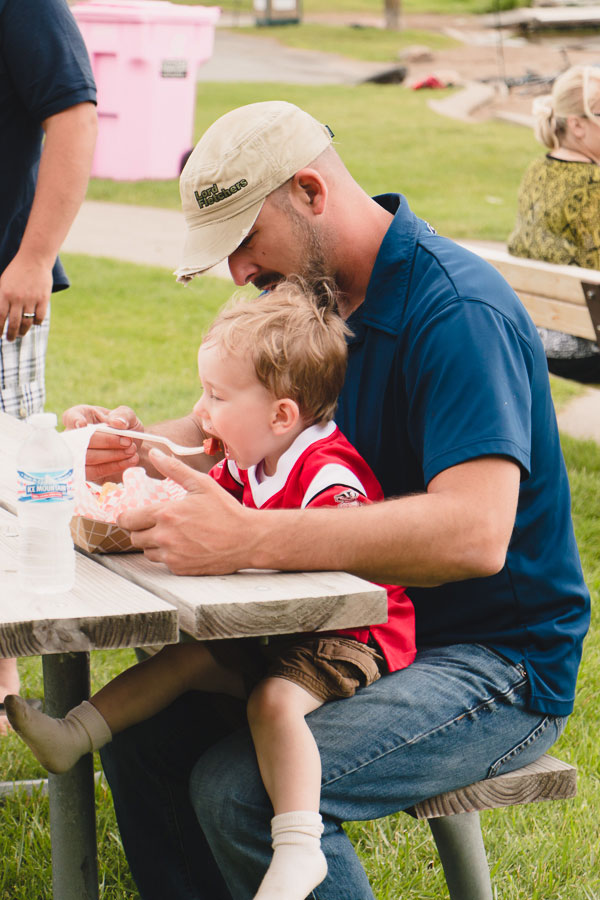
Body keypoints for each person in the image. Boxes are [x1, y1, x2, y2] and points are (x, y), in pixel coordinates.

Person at [63, 102, 590, 900]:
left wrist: (248, 537)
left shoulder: (457, 312)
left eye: (246, 239)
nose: (238, 273)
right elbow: (252, 431)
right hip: (350, 630)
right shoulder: (319, 299)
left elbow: (476, 533)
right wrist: (136, 443)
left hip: (493, 660)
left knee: (241, 790)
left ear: (311, 192)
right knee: (147, 742)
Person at [7, 282, 416, 900]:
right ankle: (74, 735)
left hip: (350, 637)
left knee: (272, 703)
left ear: (281, 415)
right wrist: (134, 465)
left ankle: (299, 846)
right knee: (182, 659)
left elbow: (339, 565)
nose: (200, 412)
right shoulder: (252, 458)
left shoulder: (328, 475)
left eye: (217, 396)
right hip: (279, 631)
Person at [0, 0, 97, 735]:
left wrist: (34, 257)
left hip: (3, 289)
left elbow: (73, 115)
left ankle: (1, 689)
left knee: (4, 490)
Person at [508, 64, 600, 383]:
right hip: (585, 345)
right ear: (576, 125)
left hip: (536, 332)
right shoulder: (594, 185)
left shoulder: (537, 169)